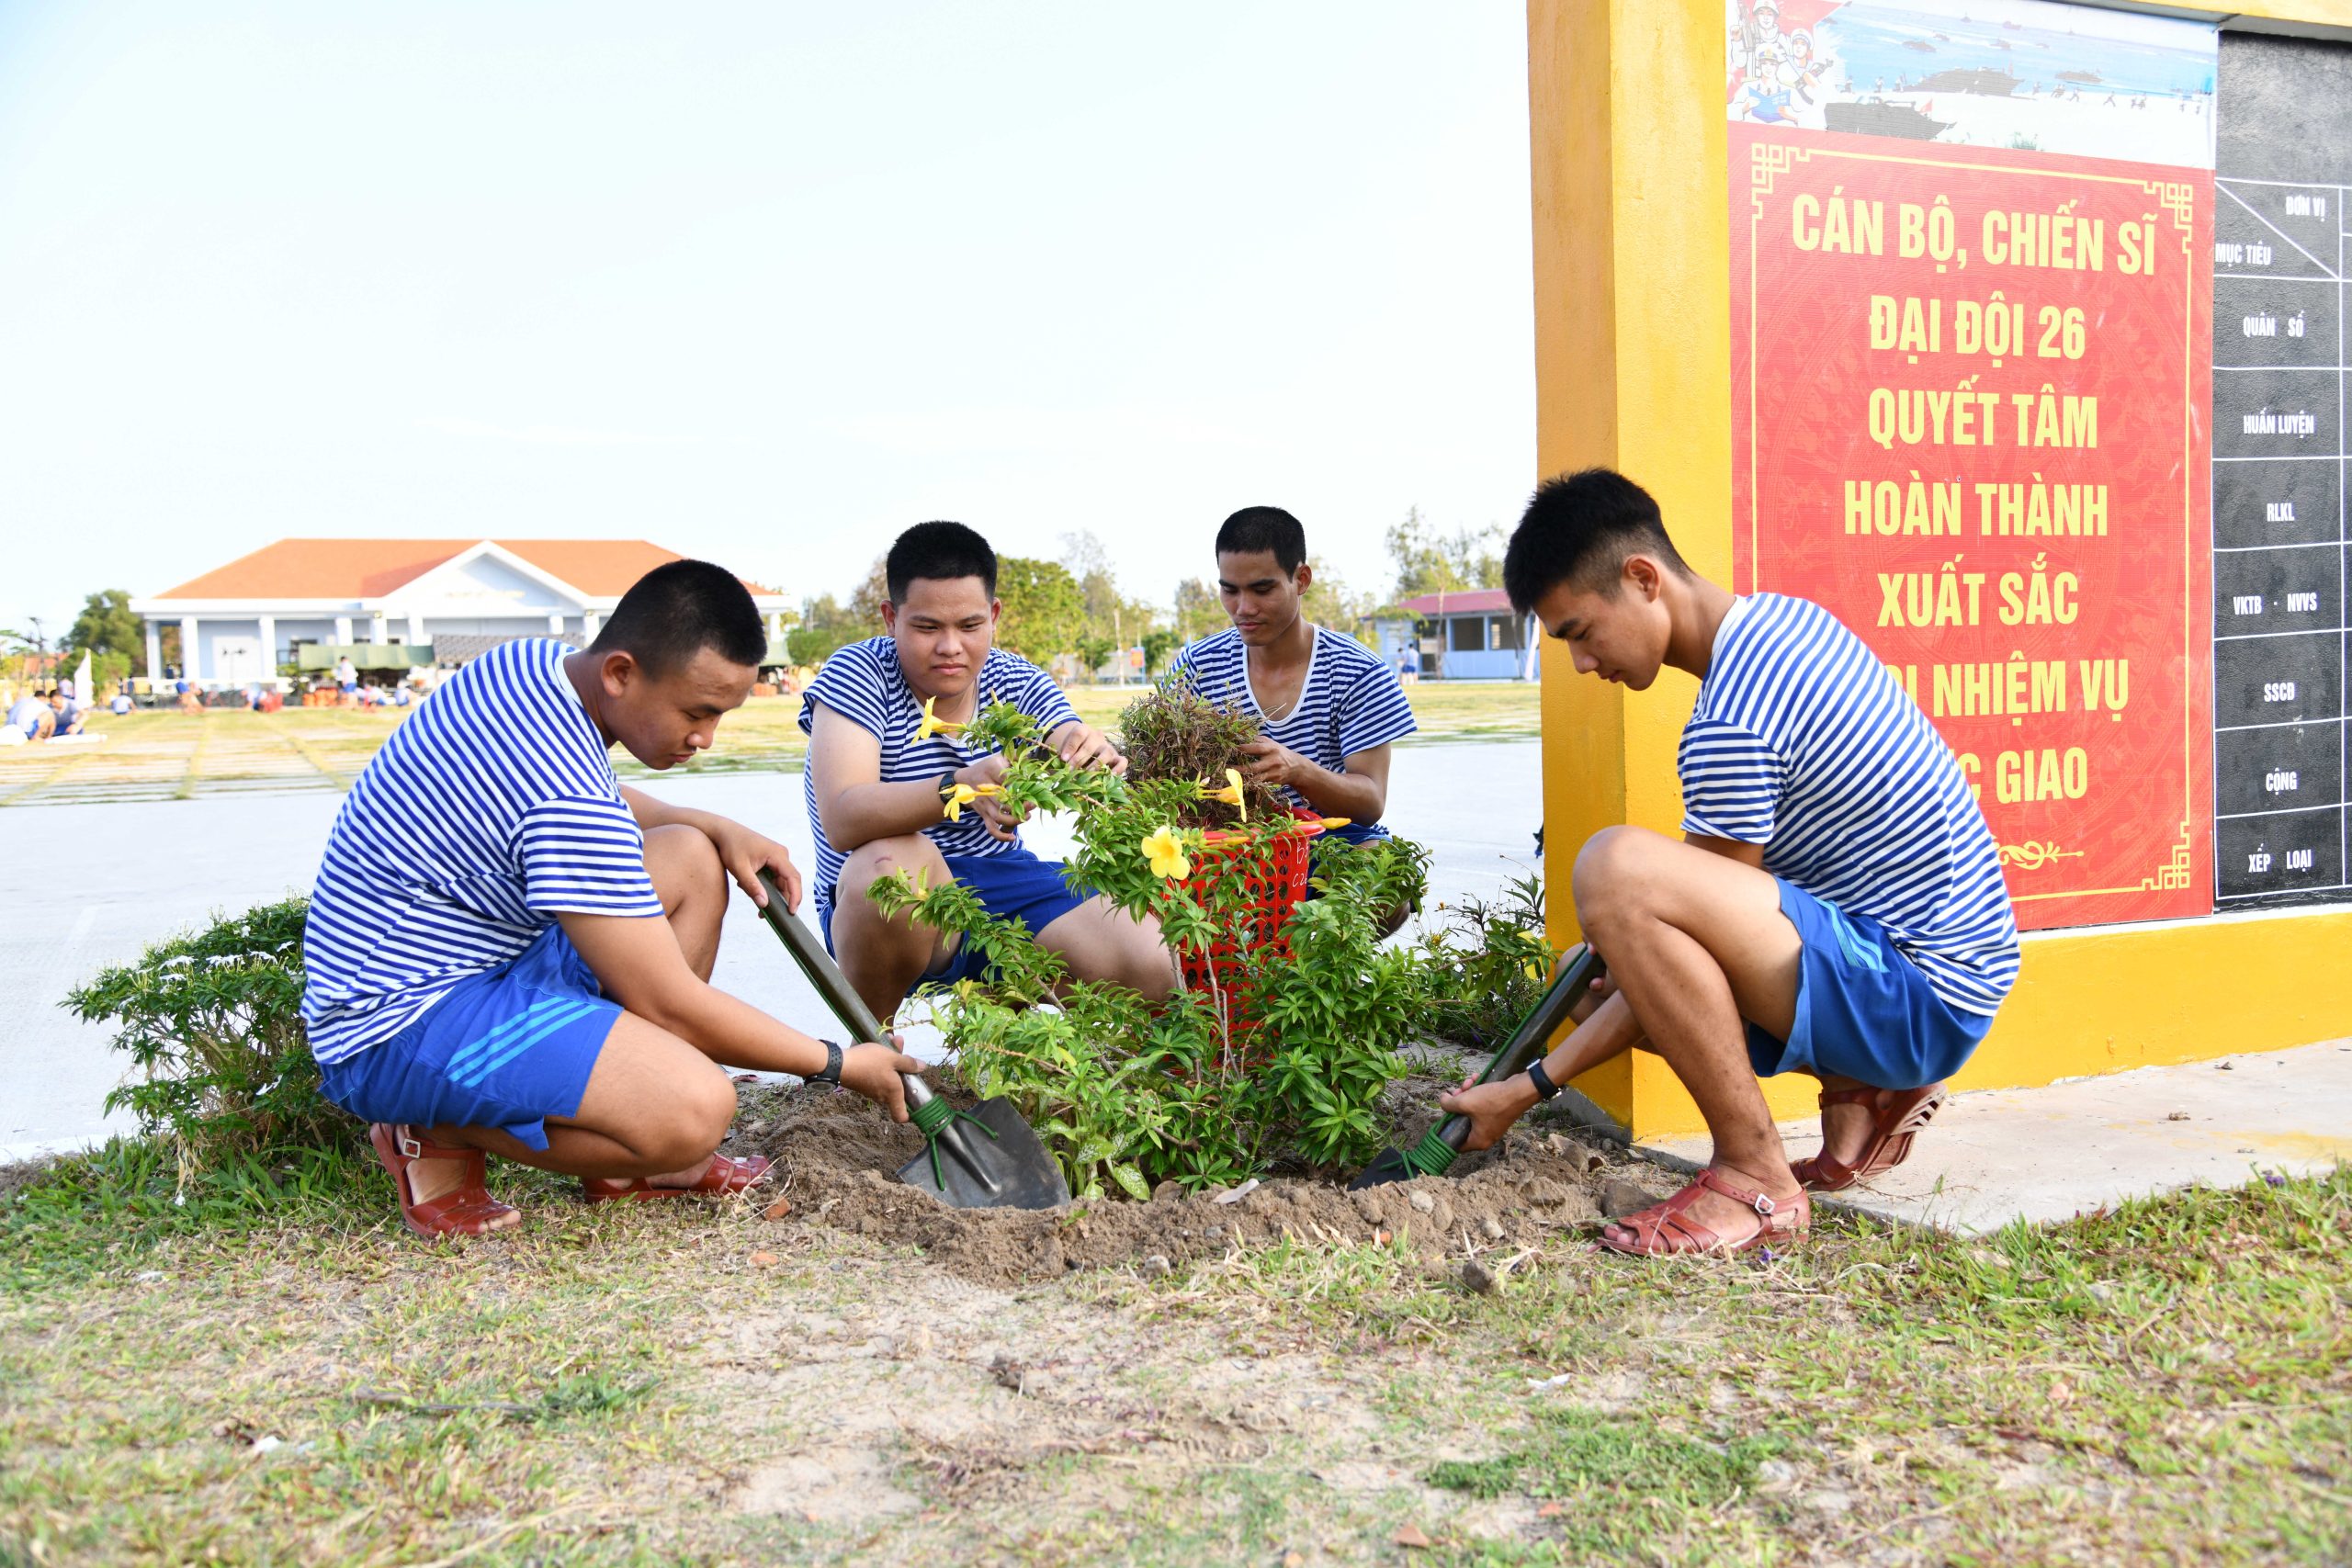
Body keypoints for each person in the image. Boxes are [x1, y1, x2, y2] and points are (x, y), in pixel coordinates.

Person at [1439, 469, 2018, 1256]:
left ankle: (1755, 1176)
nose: (1581, 662)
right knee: (1593, 968)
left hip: (1918, 992)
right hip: (1941, 973)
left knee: (1616, 870)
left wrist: (1530, 1086)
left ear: (1643, 578)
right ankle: (1870, 1091)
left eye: (1580, 630)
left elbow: (1680, 943)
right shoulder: (1782, 624)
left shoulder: (1733, 719)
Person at [301, 559, 925, 1239]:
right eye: (697, 711)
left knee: (688, 854)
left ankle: (635, 1154)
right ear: (621, 672)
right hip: (395, 1021)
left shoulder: (534, 667)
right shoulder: (561, 792)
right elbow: (666, 998)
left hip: (479, 959)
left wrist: (717, 827)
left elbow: (587, 796)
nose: (705, 738)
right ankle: (427, 1126)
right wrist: (835, 1059)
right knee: (695, 1109)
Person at [800, 521, 1170, 1022]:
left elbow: (1065, 733)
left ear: (994, 616)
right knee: (887, 867)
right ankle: (874, 1044)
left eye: (970, 627)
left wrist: (1083, 750)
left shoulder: (1017, 677)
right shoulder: (857, 672)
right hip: (888, 896)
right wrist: (958, 788)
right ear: (891, 617)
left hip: (1000, 882)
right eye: (927, 627)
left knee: (1157, 964)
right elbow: (843, 818)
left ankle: (1011, 1044)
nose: (951, 647)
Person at [1168, 505, 1418, 851]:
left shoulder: (1358, 670)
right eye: (1231, 590)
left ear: (1301, 580)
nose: (1244, 608)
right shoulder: (1197, 666)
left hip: (1332, 838)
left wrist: (1298, 770)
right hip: (1229, 844)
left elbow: (1370, 803)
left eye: (1262, 589)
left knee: (1378, 872)